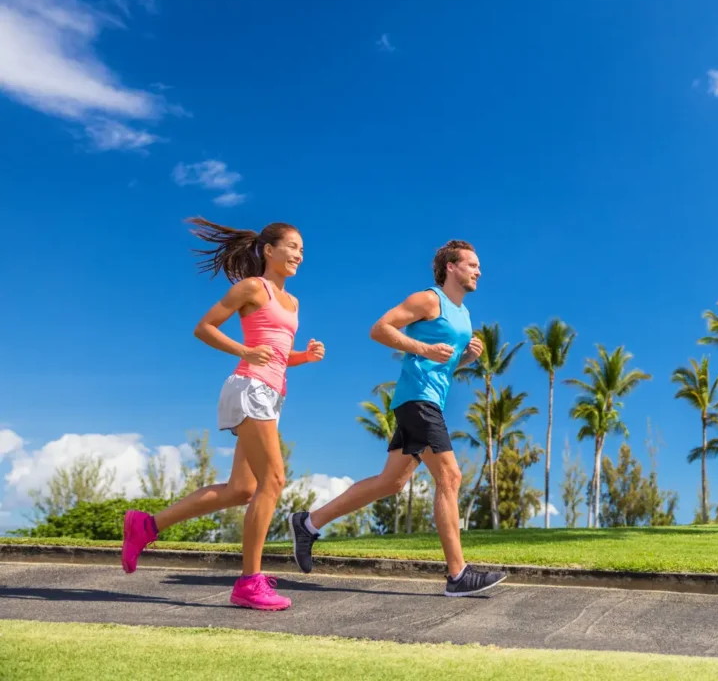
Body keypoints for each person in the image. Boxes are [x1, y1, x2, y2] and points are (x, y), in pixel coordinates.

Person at [121, 218, 325, 611]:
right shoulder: (253, 288)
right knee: (274, 480)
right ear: (269, 250)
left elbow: (277, 356)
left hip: (271, 394)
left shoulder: (293, 302)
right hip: (249, 389)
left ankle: (147, 525)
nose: (299, 254)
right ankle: (249, 582)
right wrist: (243, 351)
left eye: (302, 249)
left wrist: (305, 357)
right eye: (292, 246)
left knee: (242, 489)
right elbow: (205, 328)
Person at [287, 239, 506, 597]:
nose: (478, 271)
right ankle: (458, 575)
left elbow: (442, 365)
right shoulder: (429, 300)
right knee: (450, 476)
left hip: (429, 399)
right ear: (451, 267)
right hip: (417, 399)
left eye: (478, 266)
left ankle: (308, 523)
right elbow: (380, 329)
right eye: (472, 265)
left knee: (390, 483)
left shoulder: (463, 315)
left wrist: (465, 358)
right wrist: (423, 348)